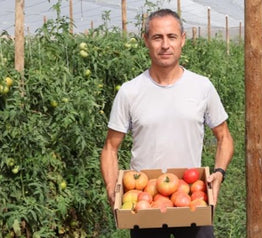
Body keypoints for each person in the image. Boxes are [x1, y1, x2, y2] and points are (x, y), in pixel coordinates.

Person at [100, 8, 234, 238]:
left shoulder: (202, 87)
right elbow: (111, 147)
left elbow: (224, 137)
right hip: (144, 199)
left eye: (171, 37)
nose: (165, 45)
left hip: (192, 195)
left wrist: (219, 173)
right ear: (146, 41)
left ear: (182, 39)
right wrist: (112, 187)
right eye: (157, 37)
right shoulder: (130, 92)